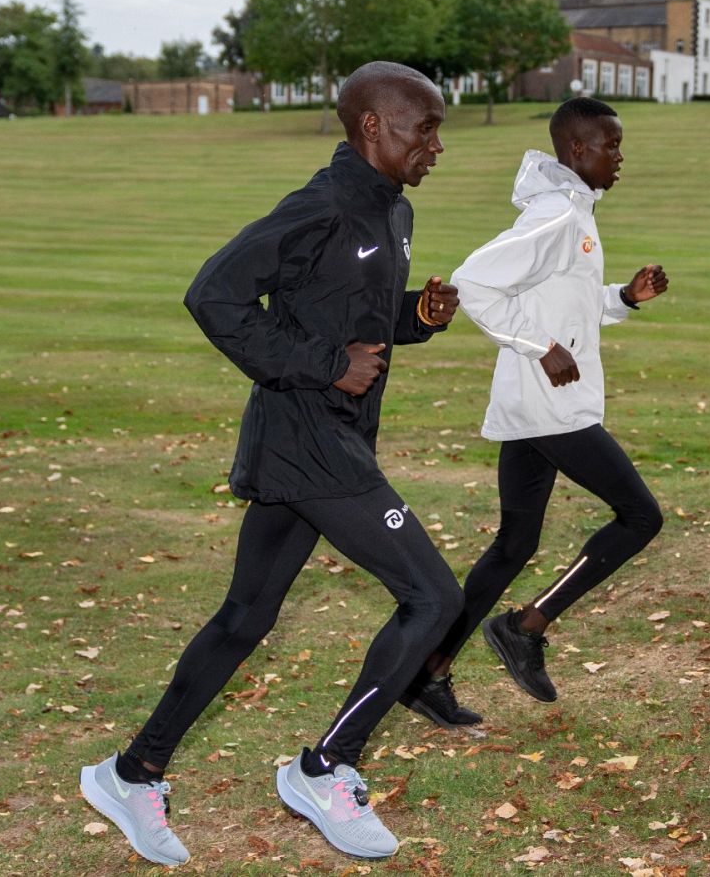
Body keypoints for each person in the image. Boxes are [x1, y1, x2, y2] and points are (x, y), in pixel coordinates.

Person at [79, 61, 462, 865]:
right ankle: (326, 768)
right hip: (310, 440)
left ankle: (133, 771)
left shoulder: (393, 213)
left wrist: (415, 320)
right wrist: (325, 364)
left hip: (329, 441)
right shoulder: (319, 206)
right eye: (422, 128)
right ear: (371, 128)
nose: (436, 145)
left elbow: (354, 316)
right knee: (433, 597)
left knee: (247, 618)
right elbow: (212, 296)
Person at [400, 97, 668, 730]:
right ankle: (526, 625)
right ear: (577, 150)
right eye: (611, 145)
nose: (620, 157)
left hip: (537, 406)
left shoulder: (573, 213)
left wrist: (624, 298)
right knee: (640, 517)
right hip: (552, 407)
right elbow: (472, 283)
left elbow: (565, 307)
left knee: (515, 542)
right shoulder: (555, 216)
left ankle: (426, 671)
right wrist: (537, 348)